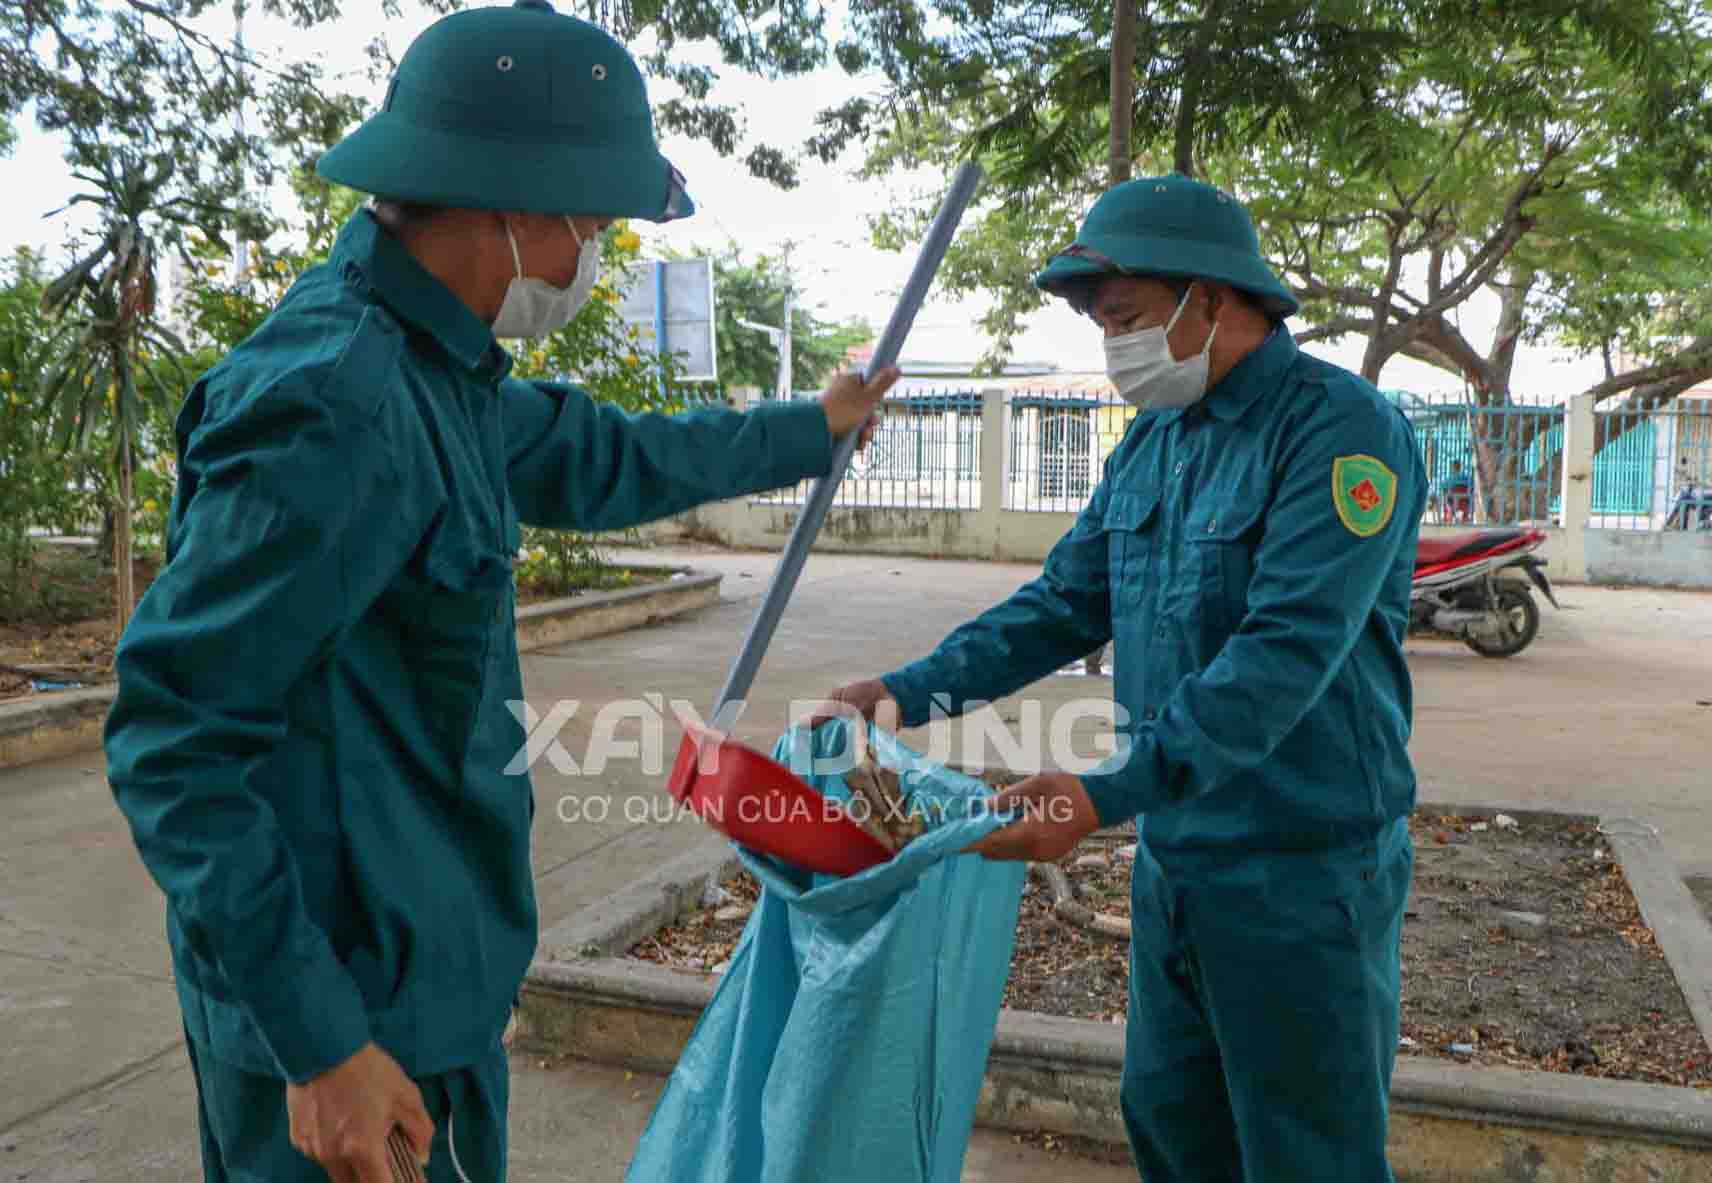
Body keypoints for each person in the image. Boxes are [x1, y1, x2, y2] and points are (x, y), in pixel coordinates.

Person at [103, 3, 896, 1181]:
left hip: (422, 987)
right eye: (589, 224)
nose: (588, 256)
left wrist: (808, 428)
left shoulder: (440, 371)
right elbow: (175, 739)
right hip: (348, 1023)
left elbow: (610, 456)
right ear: (513, 208)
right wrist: (321, 1047)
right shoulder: (337, 403)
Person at [819, 174, 1427, 1181]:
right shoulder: (1153, 442)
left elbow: (1281, 660)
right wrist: (900, 691)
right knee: (1171, 1126)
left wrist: (1100, 794)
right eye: (1103, 327)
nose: (1114, 350)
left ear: (1213, 299)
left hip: (1300, 870)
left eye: (1127, 320)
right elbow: (1061, 603)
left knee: (1302, 1151)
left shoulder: (1339, 432)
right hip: (1178, 857)